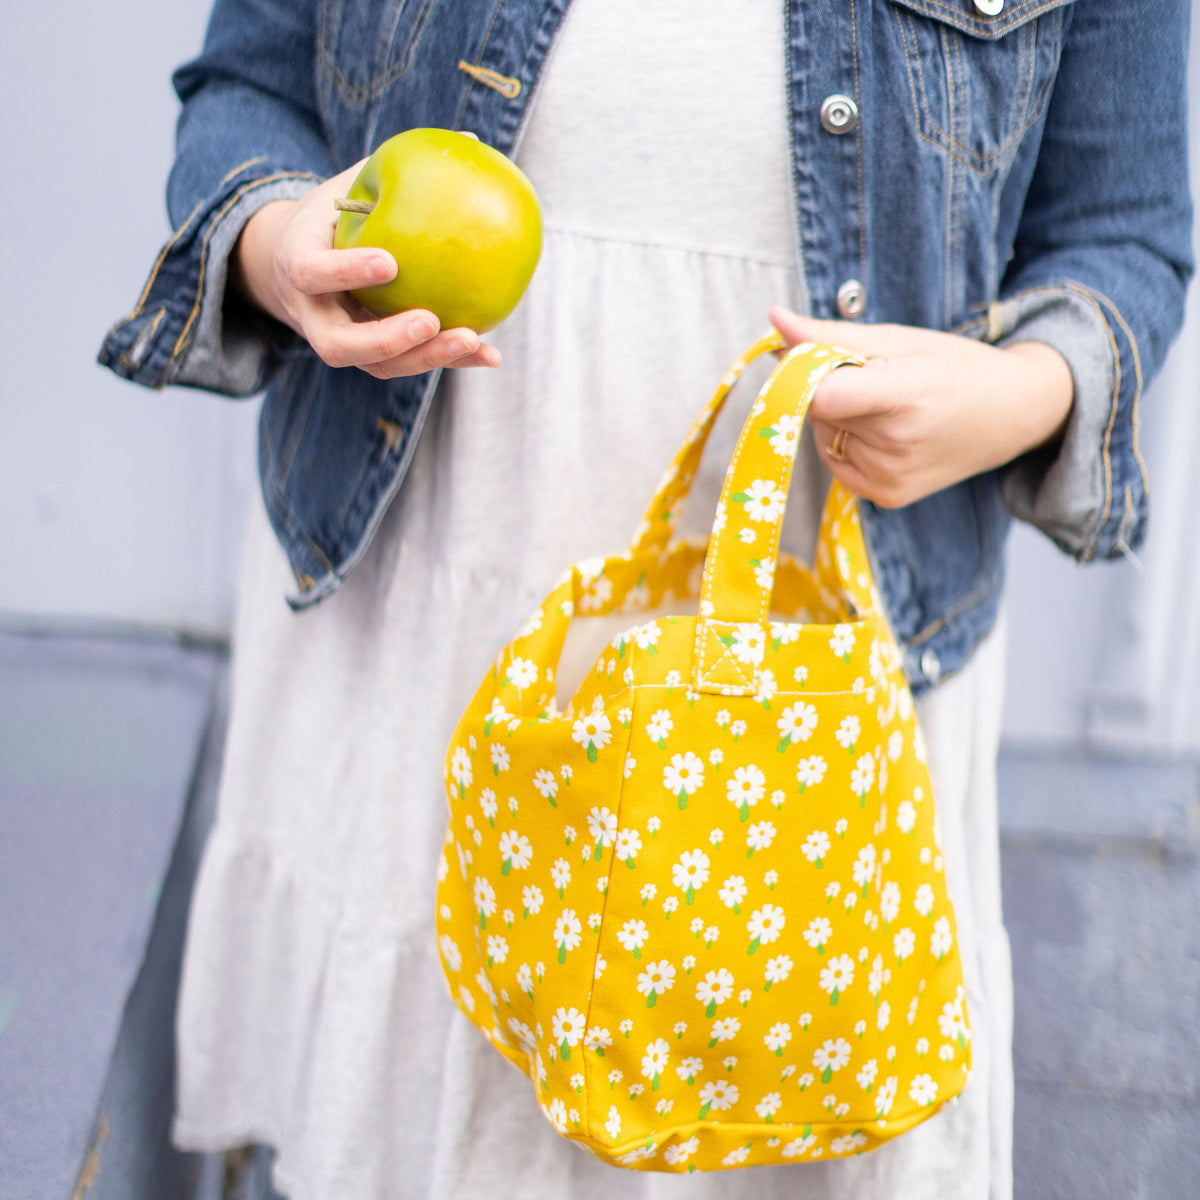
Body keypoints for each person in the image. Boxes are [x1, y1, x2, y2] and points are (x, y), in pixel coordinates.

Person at [100, 1, 1192, 1197]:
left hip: (815, 645)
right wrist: (277, 241)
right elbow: (246, 90)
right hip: (442, 550)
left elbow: (1123, 233)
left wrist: (1018, 395)